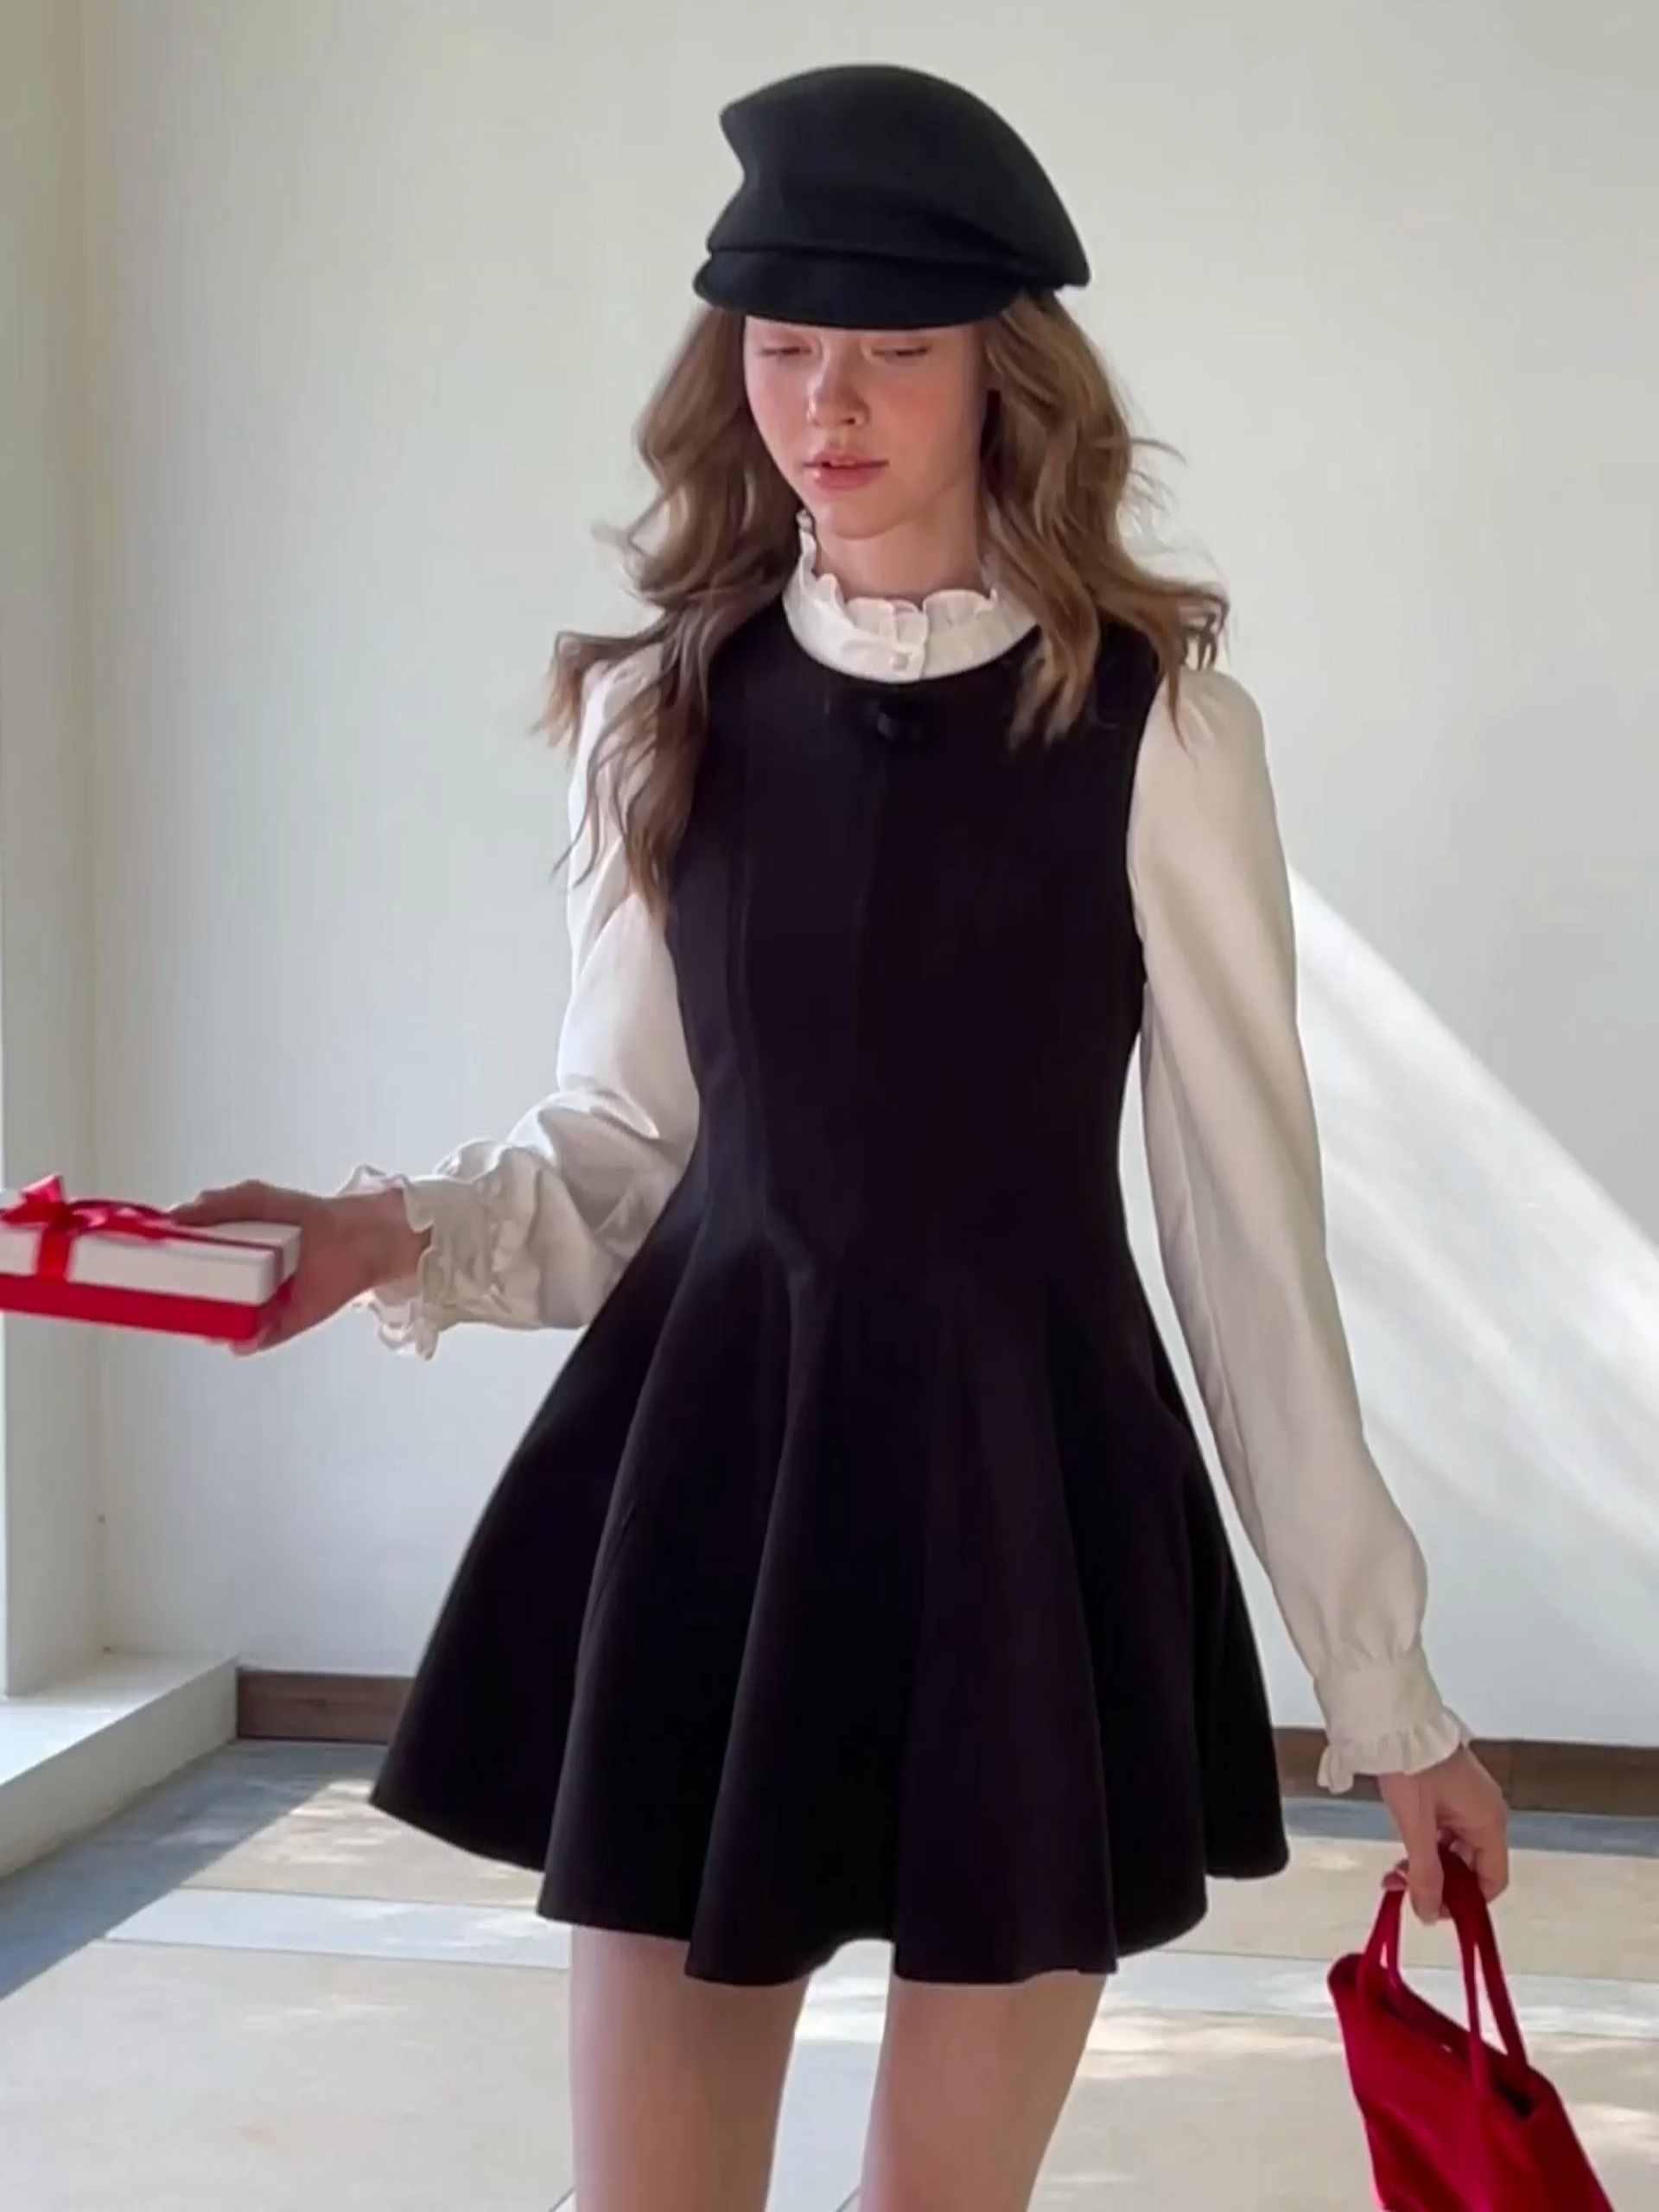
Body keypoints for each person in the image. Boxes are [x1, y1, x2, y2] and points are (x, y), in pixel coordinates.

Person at [179, 60, 1510, 2212]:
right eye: (785, 345)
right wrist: (379, 1232)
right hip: (714, 1479)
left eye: (893, 348)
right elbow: (624, 1149)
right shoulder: (662, 706)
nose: (830, 402)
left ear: (1004, 372)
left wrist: (1391, 1688)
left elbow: (1246, 1234)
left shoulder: (1161, 724)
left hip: (1030, 1508)